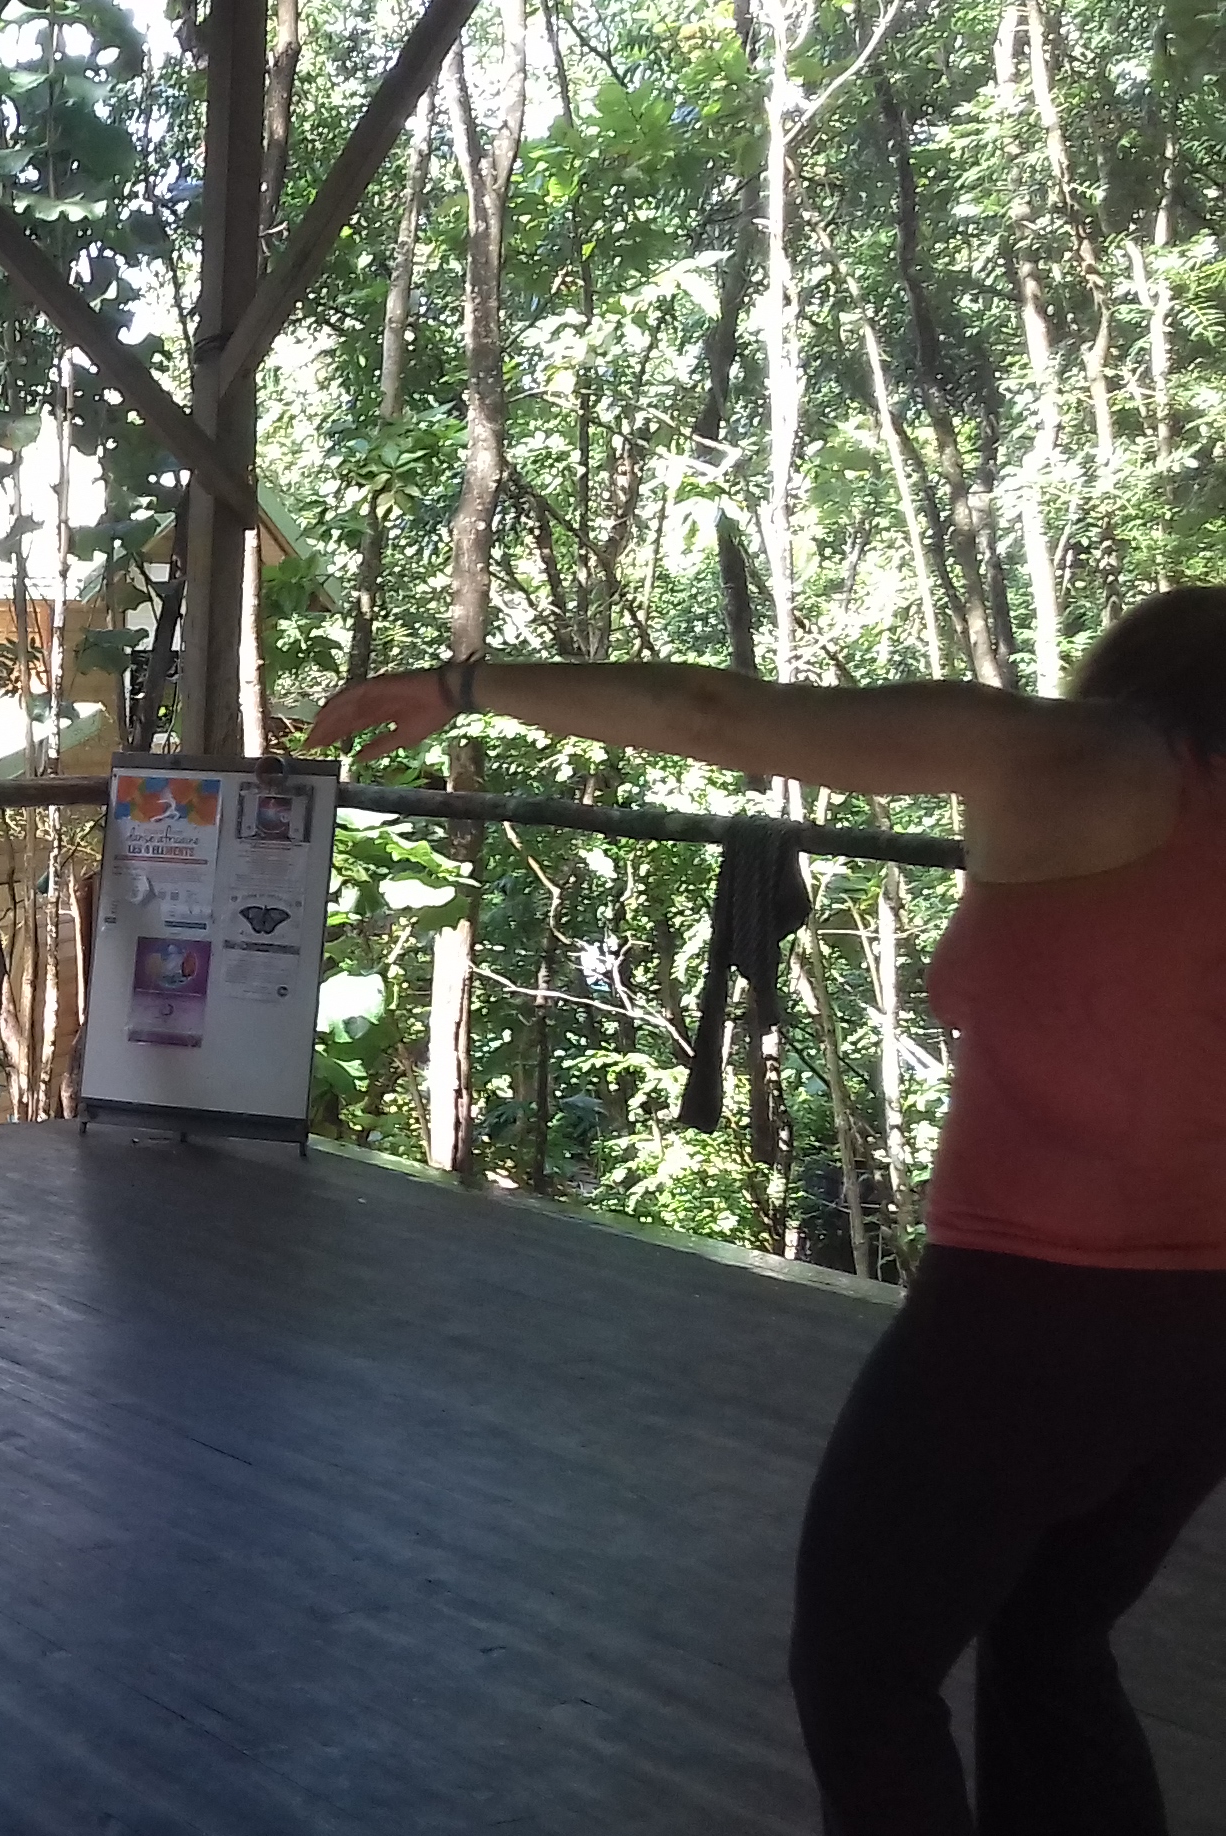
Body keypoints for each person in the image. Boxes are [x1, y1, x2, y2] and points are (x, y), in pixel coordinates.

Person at [312, 587, 1226, 1835]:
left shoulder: (1065, 755)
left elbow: (713, 711)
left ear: (1125, 676)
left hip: (1030, 1313)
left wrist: (463, 685)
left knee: (863, 1673)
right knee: (1055, 1639)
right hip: (1205, 1342)